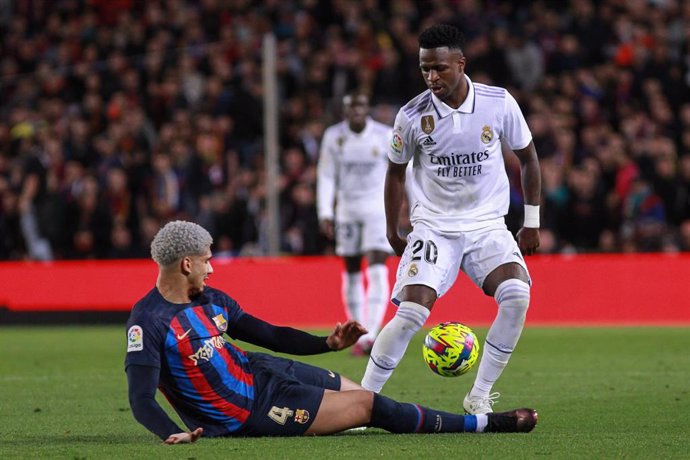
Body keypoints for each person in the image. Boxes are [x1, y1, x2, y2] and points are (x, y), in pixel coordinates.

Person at [125, 220, 538, 443]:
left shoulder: (209, 299)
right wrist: (170, 432)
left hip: (261, 370)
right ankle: (485, 425)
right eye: (205, 261)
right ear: (185, 265)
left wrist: (328, 343)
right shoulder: (150, 321)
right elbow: (140, 398)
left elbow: (267, 333)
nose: (211, 267)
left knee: (354, 393)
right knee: (369, 407)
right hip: (249, 413)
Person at [360, 24, 542, 415]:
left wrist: (532, 221)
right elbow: (395, 172)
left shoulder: (498, 102)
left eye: (440, 68)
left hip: (487, 225)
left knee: (517, 296)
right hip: (434, 228)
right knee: (410, 313)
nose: (431, 77)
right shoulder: (412, 115)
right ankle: (363, 401)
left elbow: (528, 158)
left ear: (461, 64)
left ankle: (479, 394)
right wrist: (393, 228)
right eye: (425, 69)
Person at [316, 92, 394, 355]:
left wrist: (409, 205)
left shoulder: (384, 135)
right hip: (347, 210)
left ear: (367, 108)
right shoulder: (333, 136)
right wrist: (325, 211)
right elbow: (326, 175)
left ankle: (372, 333)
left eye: (361, 105)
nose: (357, 110)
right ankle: (358, 334)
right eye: (351, 107)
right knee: (351, 269)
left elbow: (401, 171)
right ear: (345, 111)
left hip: (377, 209)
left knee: (376, 266)